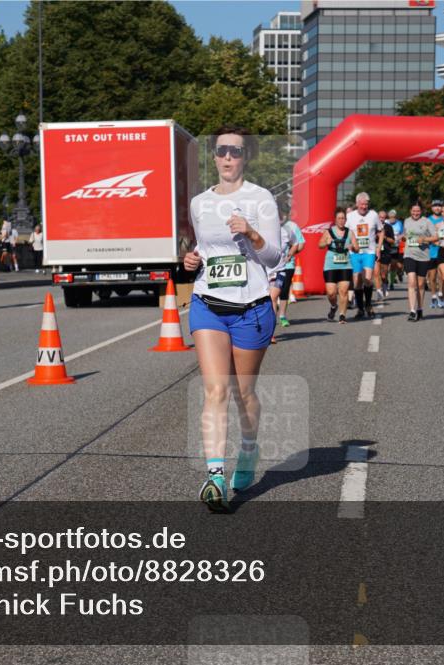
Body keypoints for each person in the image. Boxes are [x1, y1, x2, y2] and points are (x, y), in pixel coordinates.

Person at [183, 126, 281, 512]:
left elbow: (274, 258)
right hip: (208, 301)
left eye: (235, 152)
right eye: (221, 150)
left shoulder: (262, 199)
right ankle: (215, 476)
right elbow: (203, 250)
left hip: (252, 307)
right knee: (215, 390)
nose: (227, 157)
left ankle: (249, 450)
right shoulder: (199, 203)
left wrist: (252, 232)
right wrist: (191, 261)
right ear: (214, 156)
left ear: (245, 157)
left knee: (243, 394)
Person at [269, 216, 305, 341]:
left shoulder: (289, 228)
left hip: (282, 268)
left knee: (275, 296)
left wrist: (289, 255)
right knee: (266, 300)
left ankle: (275, 326)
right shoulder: (262, 226)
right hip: (263, 269)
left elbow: (298, 243)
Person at [346, 192, 380, 319]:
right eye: (362, 204)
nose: (364, 206)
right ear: (357, 204)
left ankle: (368, 305)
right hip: (355, 253)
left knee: (367, 278)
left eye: (366, 204)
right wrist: (348, 245)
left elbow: (380, 231)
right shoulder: (350, 216)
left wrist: (378, 248)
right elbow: (345, 233)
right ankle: (360, 308)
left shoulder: (373, 215)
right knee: (357, 280)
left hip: (369, 252)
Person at [319, 208, 355, 324]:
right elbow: (319, 245)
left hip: (345, 265)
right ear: (335, 220)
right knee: (331, 293)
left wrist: (352, 247)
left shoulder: (350, 232)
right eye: (339, 218)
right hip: (330, 265)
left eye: (343, 218)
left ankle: (342, 315)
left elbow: (357, 248)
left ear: (346, 220)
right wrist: (326, 243)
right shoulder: (328, 232)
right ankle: (334, 306)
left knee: (343, 291)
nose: (341, 220)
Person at [402, 203, 436, 321]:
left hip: (423, 256)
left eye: (417, 211)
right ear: (410, 211)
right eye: (413, 211)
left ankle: (420, 308)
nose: (415, 213)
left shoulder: (427, 222)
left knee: (421, 284)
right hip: (409, 254)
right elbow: (405, 235)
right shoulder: (406, 221)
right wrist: (403, 237)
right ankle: (412, 310)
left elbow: (435, 237)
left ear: (421, 211)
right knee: (411, 282)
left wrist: (425, 239)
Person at [426, 200, 444, 309]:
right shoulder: (427, 220)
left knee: (441, 276)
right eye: (435, 206)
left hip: (443, 251)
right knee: (432, 277)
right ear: (432, 208)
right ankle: (433, 297)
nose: (437, 208)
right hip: (430, 252)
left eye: (439, 206)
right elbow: (424, 235)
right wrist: (432, 240)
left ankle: (441, 296)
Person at [375, 211, 397, 300]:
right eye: (379, 217)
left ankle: (384, 286)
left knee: (383, 274)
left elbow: (393, 241)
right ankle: (379, 291)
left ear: (385, 218)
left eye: (383, 217)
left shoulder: (388, 227)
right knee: (376, 273)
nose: (381, 219)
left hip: (386, 252)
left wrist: (384, 237)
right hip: (376, 251)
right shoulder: (374, 226)